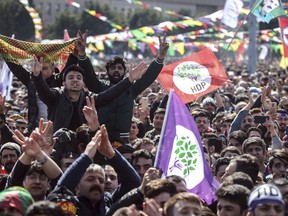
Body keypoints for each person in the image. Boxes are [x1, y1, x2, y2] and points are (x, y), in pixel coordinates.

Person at [75, 32, 169, 146]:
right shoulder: (100, 87)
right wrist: (82, 54)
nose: (116, 70)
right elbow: (89, 76)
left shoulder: (131, 88)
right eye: (113, 68)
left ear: (125, 72)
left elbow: (148, 78)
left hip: (124, 139)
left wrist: (160, 58)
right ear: (107, 71)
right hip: (102, 137)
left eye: (120, 68)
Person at [32, 57, 148, 133]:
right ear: (63, 83)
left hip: (85, 146)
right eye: (71, 78)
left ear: (83, 84)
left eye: (79, 78)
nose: (75, 80)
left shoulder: (90, 99)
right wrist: (37, 76)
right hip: (59, 146)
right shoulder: (56, 96)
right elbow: (43, 92)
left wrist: (129, 80)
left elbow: (109, 95)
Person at [57, 124, 141, 216]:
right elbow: (59, 192)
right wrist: (86, 157)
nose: (97, 183)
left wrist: (112, 155)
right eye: (90, 179)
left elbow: (134, 183)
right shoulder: (70, 207)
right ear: (77, 188)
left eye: (101, 180)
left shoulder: (110, 203)